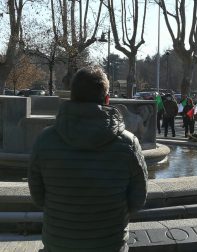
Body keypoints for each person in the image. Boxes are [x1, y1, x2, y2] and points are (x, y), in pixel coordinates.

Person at [28, 66, 148, 252]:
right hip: (109, 244)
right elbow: (138, 199)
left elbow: (38, 196)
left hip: (59, 243)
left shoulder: (44, 140)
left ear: (72, 96)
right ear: (107, 99)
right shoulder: (129, 144)